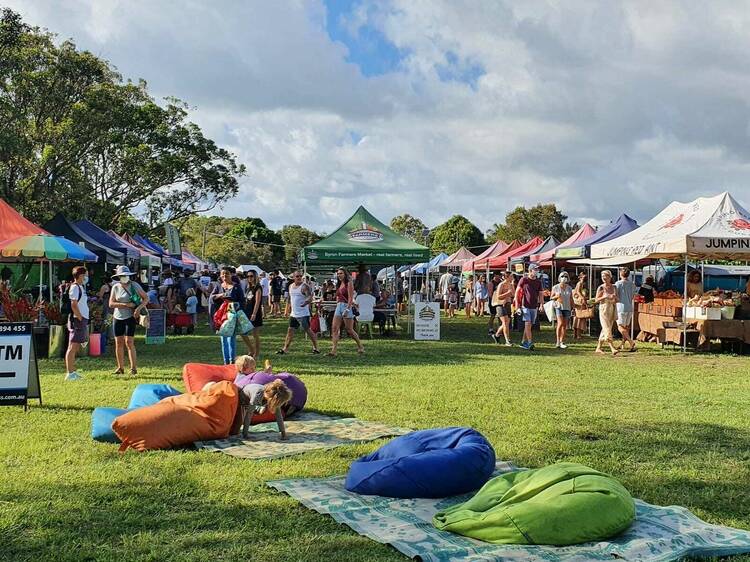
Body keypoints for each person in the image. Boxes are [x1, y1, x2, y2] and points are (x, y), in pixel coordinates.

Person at [109, 265, 149, 376]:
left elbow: (146, 298)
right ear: (118, 277)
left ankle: (133, 368)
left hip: (130, 317)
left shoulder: (135, 285)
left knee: (129, 342)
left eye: (126, 275)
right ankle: (120, 367)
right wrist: (125, 305)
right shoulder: (115, 287)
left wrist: (138, 309)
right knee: (118, 343)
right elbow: (111, 303)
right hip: (118, 317)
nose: (124, 277)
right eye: (122, 276)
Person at [277, 271, 320, 355]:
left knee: (308, 330)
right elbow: (290, 299)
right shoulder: (290, 286)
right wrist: (286, 310)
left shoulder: (304, 286)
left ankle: (316, 348)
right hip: (294, 313)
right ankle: (285, 349)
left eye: (300, 276)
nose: (299, 278)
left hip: (303, 313)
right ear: (293, 277)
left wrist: (305, 302)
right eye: (297, 276)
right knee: (290, 330)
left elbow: (310, 297)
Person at [329, 267, 364, 357]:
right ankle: (334, 350)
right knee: (334, 328)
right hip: (339, 306)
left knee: (349, 330)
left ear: (345, 274)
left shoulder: (349, 283)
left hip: (346, 306)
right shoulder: (339, 284)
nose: (339, 275)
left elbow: (350, 298)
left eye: (341, 273)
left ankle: (360, 346)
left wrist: (347, 309)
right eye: (338, 273)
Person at [213, 267, 245, 364]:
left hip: (232, 315)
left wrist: (234, 304)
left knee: (231, 338)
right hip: (221, 315)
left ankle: (232, 361)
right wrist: (220, 295)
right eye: (222, 274)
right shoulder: (219, 286)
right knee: (223, 338)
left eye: (226, 273)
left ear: (231, 275)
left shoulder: (236, 286)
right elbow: (212, 296)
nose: (224, 276)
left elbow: (242, 301)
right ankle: (225, 362)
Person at [64, 266, 89, 381]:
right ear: (80, 276)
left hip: (81, 319)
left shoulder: (80, 287)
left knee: (76, 345)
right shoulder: (74, 287)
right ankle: (69, 373)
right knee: (72, 346)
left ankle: (72, 370)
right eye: (85, 275)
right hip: (77, 319)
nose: (87, 277)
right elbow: (74, 304)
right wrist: (79, 317)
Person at [516, 264, 544, 350]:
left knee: (529, 325)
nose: (536, 271)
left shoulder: (538, 281)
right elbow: (517, 292)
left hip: (534, 306)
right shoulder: (524, 279)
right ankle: (530, 342)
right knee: (527, 323)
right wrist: (517, 306)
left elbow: (541, 293)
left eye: (537, 270)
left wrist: (541, 304)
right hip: (525, 305)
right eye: (535, 269)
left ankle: (523, 342)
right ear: (530, 270)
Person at [594, 270, 619, 356]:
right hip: (604, 309)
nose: (604, 278)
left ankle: (598, 347)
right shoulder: (601, 288)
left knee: (606, 329)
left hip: (612, 309)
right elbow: (596, 300)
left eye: (606, 276)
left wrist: (614, 298)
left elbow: (618, 299)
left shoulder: (614, 287)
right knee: (607, 329)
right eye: (602, 276)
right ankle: (612, 348)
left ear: (610, 277)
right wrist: (604, 296)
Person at [615, 267, 637, 352]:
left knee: (620, 327)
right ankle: (623, 344)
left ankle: (631, 342)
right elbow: (632, 296)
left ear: (621, 274)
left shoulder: (618, 283)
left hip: (621, 307)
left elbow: (616, 295)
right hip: (629, 307)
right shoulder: (632, 284)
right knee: (626, 327)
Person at [491, 271, 515, 346]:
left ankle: (496, 335)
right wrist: (507, 293)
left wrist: (511, 291)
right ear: (506, 277)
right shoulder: (501, 285)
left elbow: (513, 294)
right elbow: (498, 296)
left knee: (507, 322)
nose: (512, 278)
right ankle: (507, 341)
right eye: (511, 276)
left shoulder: (511, 285)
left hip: (507, 304)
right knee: (505, 322)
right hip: (500, 305)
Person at [244, 270, 264, 359]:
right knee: (243, 332)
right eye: (248, 276)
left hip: (255, 313)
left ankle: (257, 353)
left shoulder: (258, 287)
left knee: (255, 334)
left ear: (255, 277)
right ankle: (251, 350)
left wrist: (254, 314)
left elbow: (257, 301)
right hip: (247, 312)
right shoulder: (248, 287)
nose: (249, 278)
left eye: (251, 276)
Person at [550, 272, 573, 349]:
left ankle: (562, 341)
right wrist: (556, 296)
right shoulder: (555, 287)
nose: (564, 278)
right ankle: (557, 341)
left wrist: (573, 307)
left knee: (565, 325)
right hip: (559, 307)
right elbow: (551, 297)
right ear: (559, 278)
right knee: (560, 323)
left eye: (566, 276)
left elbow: (571, 298)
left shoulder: (569, 288)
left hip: (567, 307)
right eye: (562, 276)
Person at [572, 271, 590, 339]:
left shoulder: (581, 283)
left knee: (577, 318)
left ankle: (576, 334)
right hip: (579, 302)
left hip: (578, 302)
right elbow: (578, 292)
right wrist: (583, 298)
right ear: (580, 277)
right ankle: (578, 334)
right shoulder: (580, 283)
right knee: (580, 318)